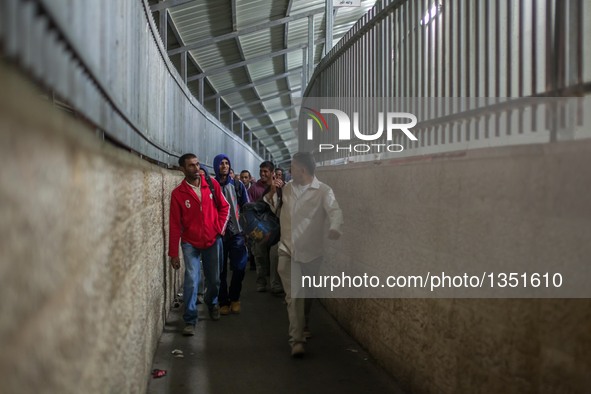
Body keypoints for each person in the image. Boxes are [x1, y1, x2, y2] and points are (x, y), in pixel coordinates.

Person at [272, 152, 343, 357]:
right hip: (287, 249)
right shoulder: (286, 188)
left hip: (312, 252)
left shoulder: (323, 191)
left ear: (302, 170)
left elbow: (335, 211)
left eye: (292, 167)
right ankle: (297, 339)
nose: (289, 170)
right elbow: (277, 211)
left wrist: (335, 227)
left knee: (307, 294)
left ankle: (304, 323)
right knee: (294, 296)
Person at [169, 153, 230, 336]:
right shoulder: (178, 194)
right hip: (190, 243)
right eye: (191, 166)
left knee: (214, 280)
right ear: (182, 169)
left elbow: (225, 207)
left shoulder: (211, 184)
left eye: (197, 164)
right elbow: (174, 224)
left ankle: (212, 303)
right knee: (191, 279)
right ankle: (190, 318)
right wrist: (173, 253)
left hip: (212, 240)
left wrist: (219, 229)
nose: (196, 169)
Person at [213, 154, 250, 315]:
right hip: (218, 234)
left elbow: (246, 207)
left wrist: (247, 231)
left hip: (237, 233)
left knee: (240, 267)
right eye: (221, 163)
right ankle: (223, 301)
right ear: (216, 166)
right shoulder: (210, 185)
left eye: (227, 163)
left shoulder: (237, 184)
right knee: (219, 271)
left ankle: (234, 297)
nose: (224, 166)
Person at [247, 161, 284, 292]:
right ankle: (261, 282)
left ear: (272, 173)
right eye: (261, 171)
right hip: (260, 226)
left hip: (277, 226)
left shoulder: (281, 187)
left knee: (275, 255)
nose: (262, 174)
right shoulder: (255, 188)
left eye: (266, 171)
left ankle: (275, 285)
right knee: (259, 252)